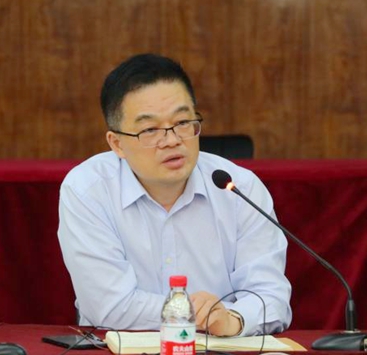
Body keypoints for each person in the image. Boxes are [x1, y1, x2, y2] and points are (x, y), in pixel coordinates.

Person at [57, 53, 292, 336]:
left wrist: (232, 319)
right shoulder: (88, 190)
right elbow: (110, 306)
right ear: (117, 143)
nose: (172, 140)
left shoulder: (238, 187)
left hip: (222, 352)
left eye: (182, 122)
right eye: (150, 129)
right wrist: (197, 314)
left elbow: (271, 298)